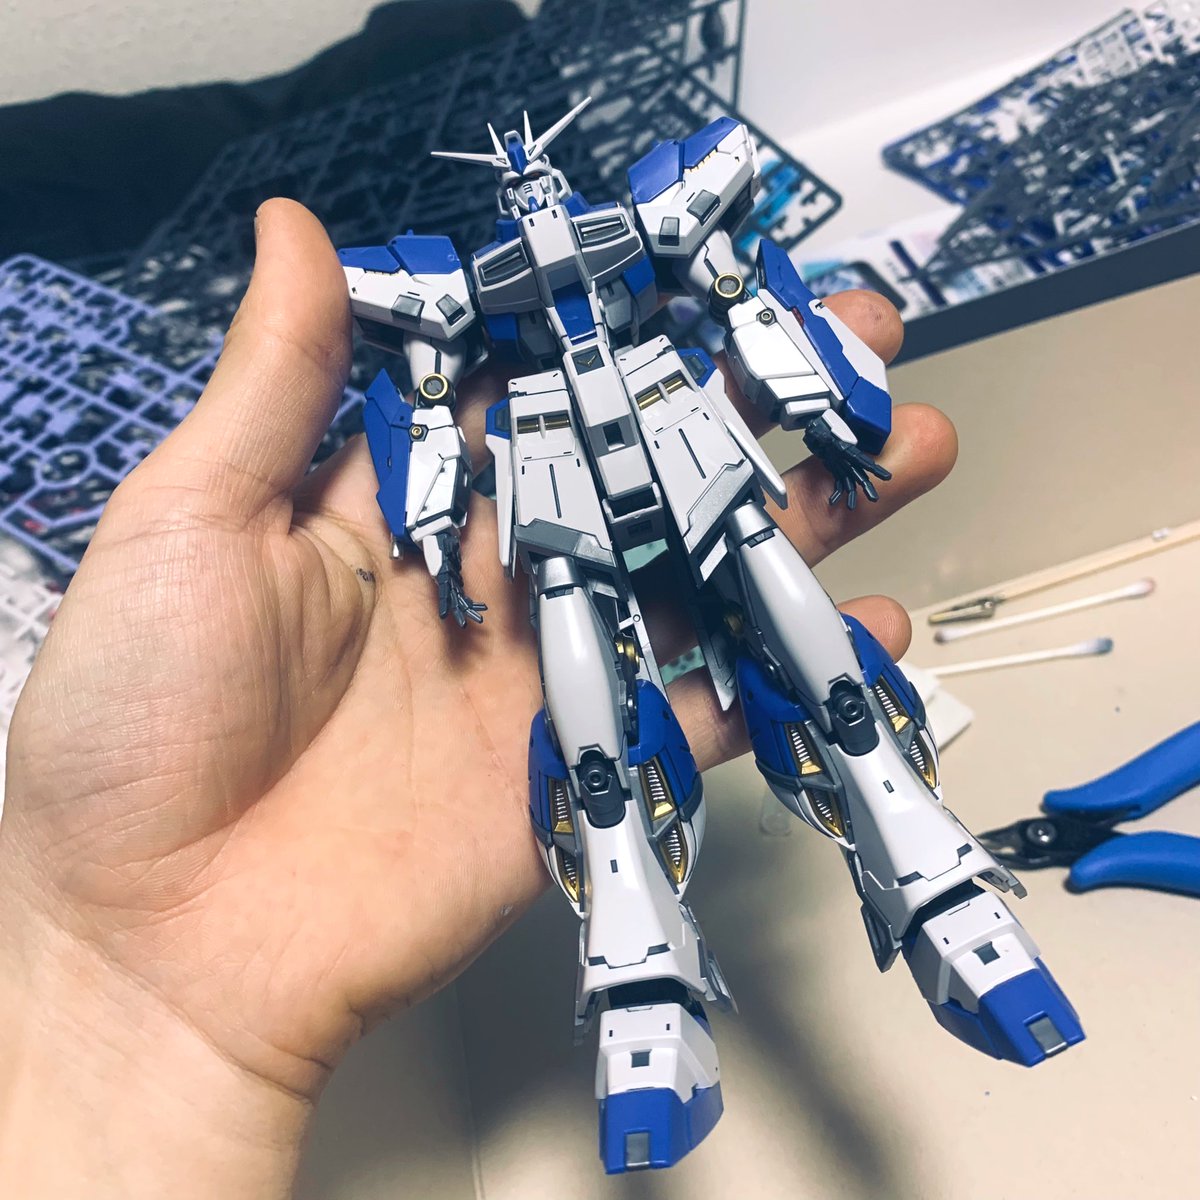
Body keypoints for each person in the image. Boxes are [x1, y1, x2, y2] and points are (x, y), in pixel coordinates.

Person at [0, 199, 954, 1197]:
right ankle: (639, 970)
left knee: (812, 649)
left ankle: (931, 866)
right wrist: (436, 532)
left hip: (668, 409)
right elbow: (423, 403)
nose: (534, 202)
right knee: (595, 756)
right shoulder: (456, 281)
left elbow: (740, 292)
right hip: (553, 445)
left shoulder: (651, 210)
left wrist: (816, 401)